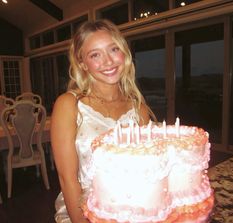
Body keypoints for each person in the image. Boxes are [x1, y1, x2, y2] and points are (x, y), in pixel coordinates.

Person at [51, 19, 156, 223]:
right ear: (82, 63)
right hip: (84, 211)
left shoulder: (139, 110)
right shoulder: (69, 105)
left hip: (132, 210)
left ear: (124, 53)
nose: (108, 62)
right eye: (95, 55)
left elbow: (146, 171)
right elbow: (68, 179)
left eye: (113, 49)